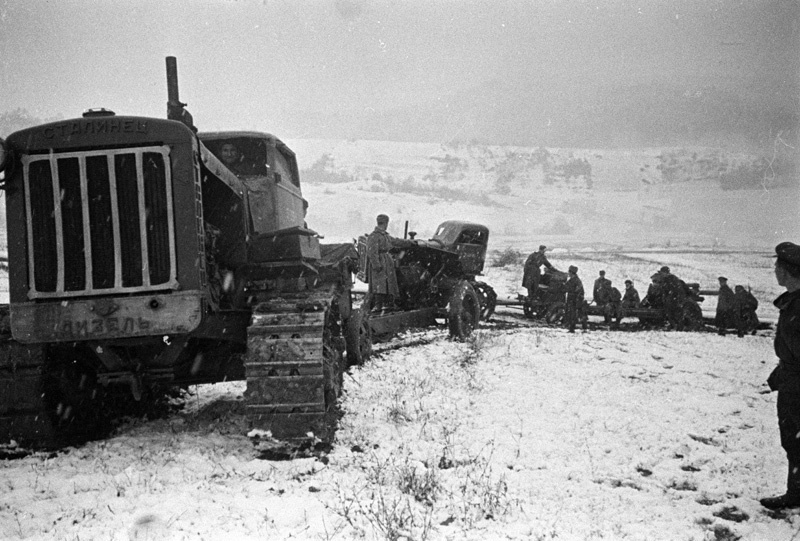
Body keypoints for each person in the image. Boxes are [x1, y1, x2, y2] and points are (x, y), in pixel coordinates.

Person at [761, 242, 800, 510]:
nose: (774, 270)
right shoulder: (793, 302)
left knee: (796, 439)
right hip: (790, 380)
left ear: (787, 272)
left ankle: (795, 494)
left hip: (797, 385)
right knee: (793, 440)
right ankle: (795, 492)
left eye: (777, 266)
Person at [366, 214, 400, 313]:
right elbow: (372, 252)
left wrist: (410, 242)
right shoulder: (374, 236)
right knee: (379, 285)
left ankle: (388, 305)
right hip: (380, 262)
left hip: (387, 262)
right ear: (385, 223)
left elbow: (396, 241)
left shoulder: (385, 235)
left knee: (389, 284)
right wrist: (376, 265)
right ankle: (378, 306)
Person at [564, 265, 587, 333]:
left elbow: (578, 290)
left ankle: (583, 328)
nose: (568, 273)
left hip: (576, 300)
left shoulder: (576, 281)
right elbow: (566, 288)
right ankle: (572, 328)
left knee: (577, 314)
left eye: (569, 272)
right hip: (573, 299)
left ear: (571, 272)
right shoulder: (572, 280)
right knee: (573, 314)